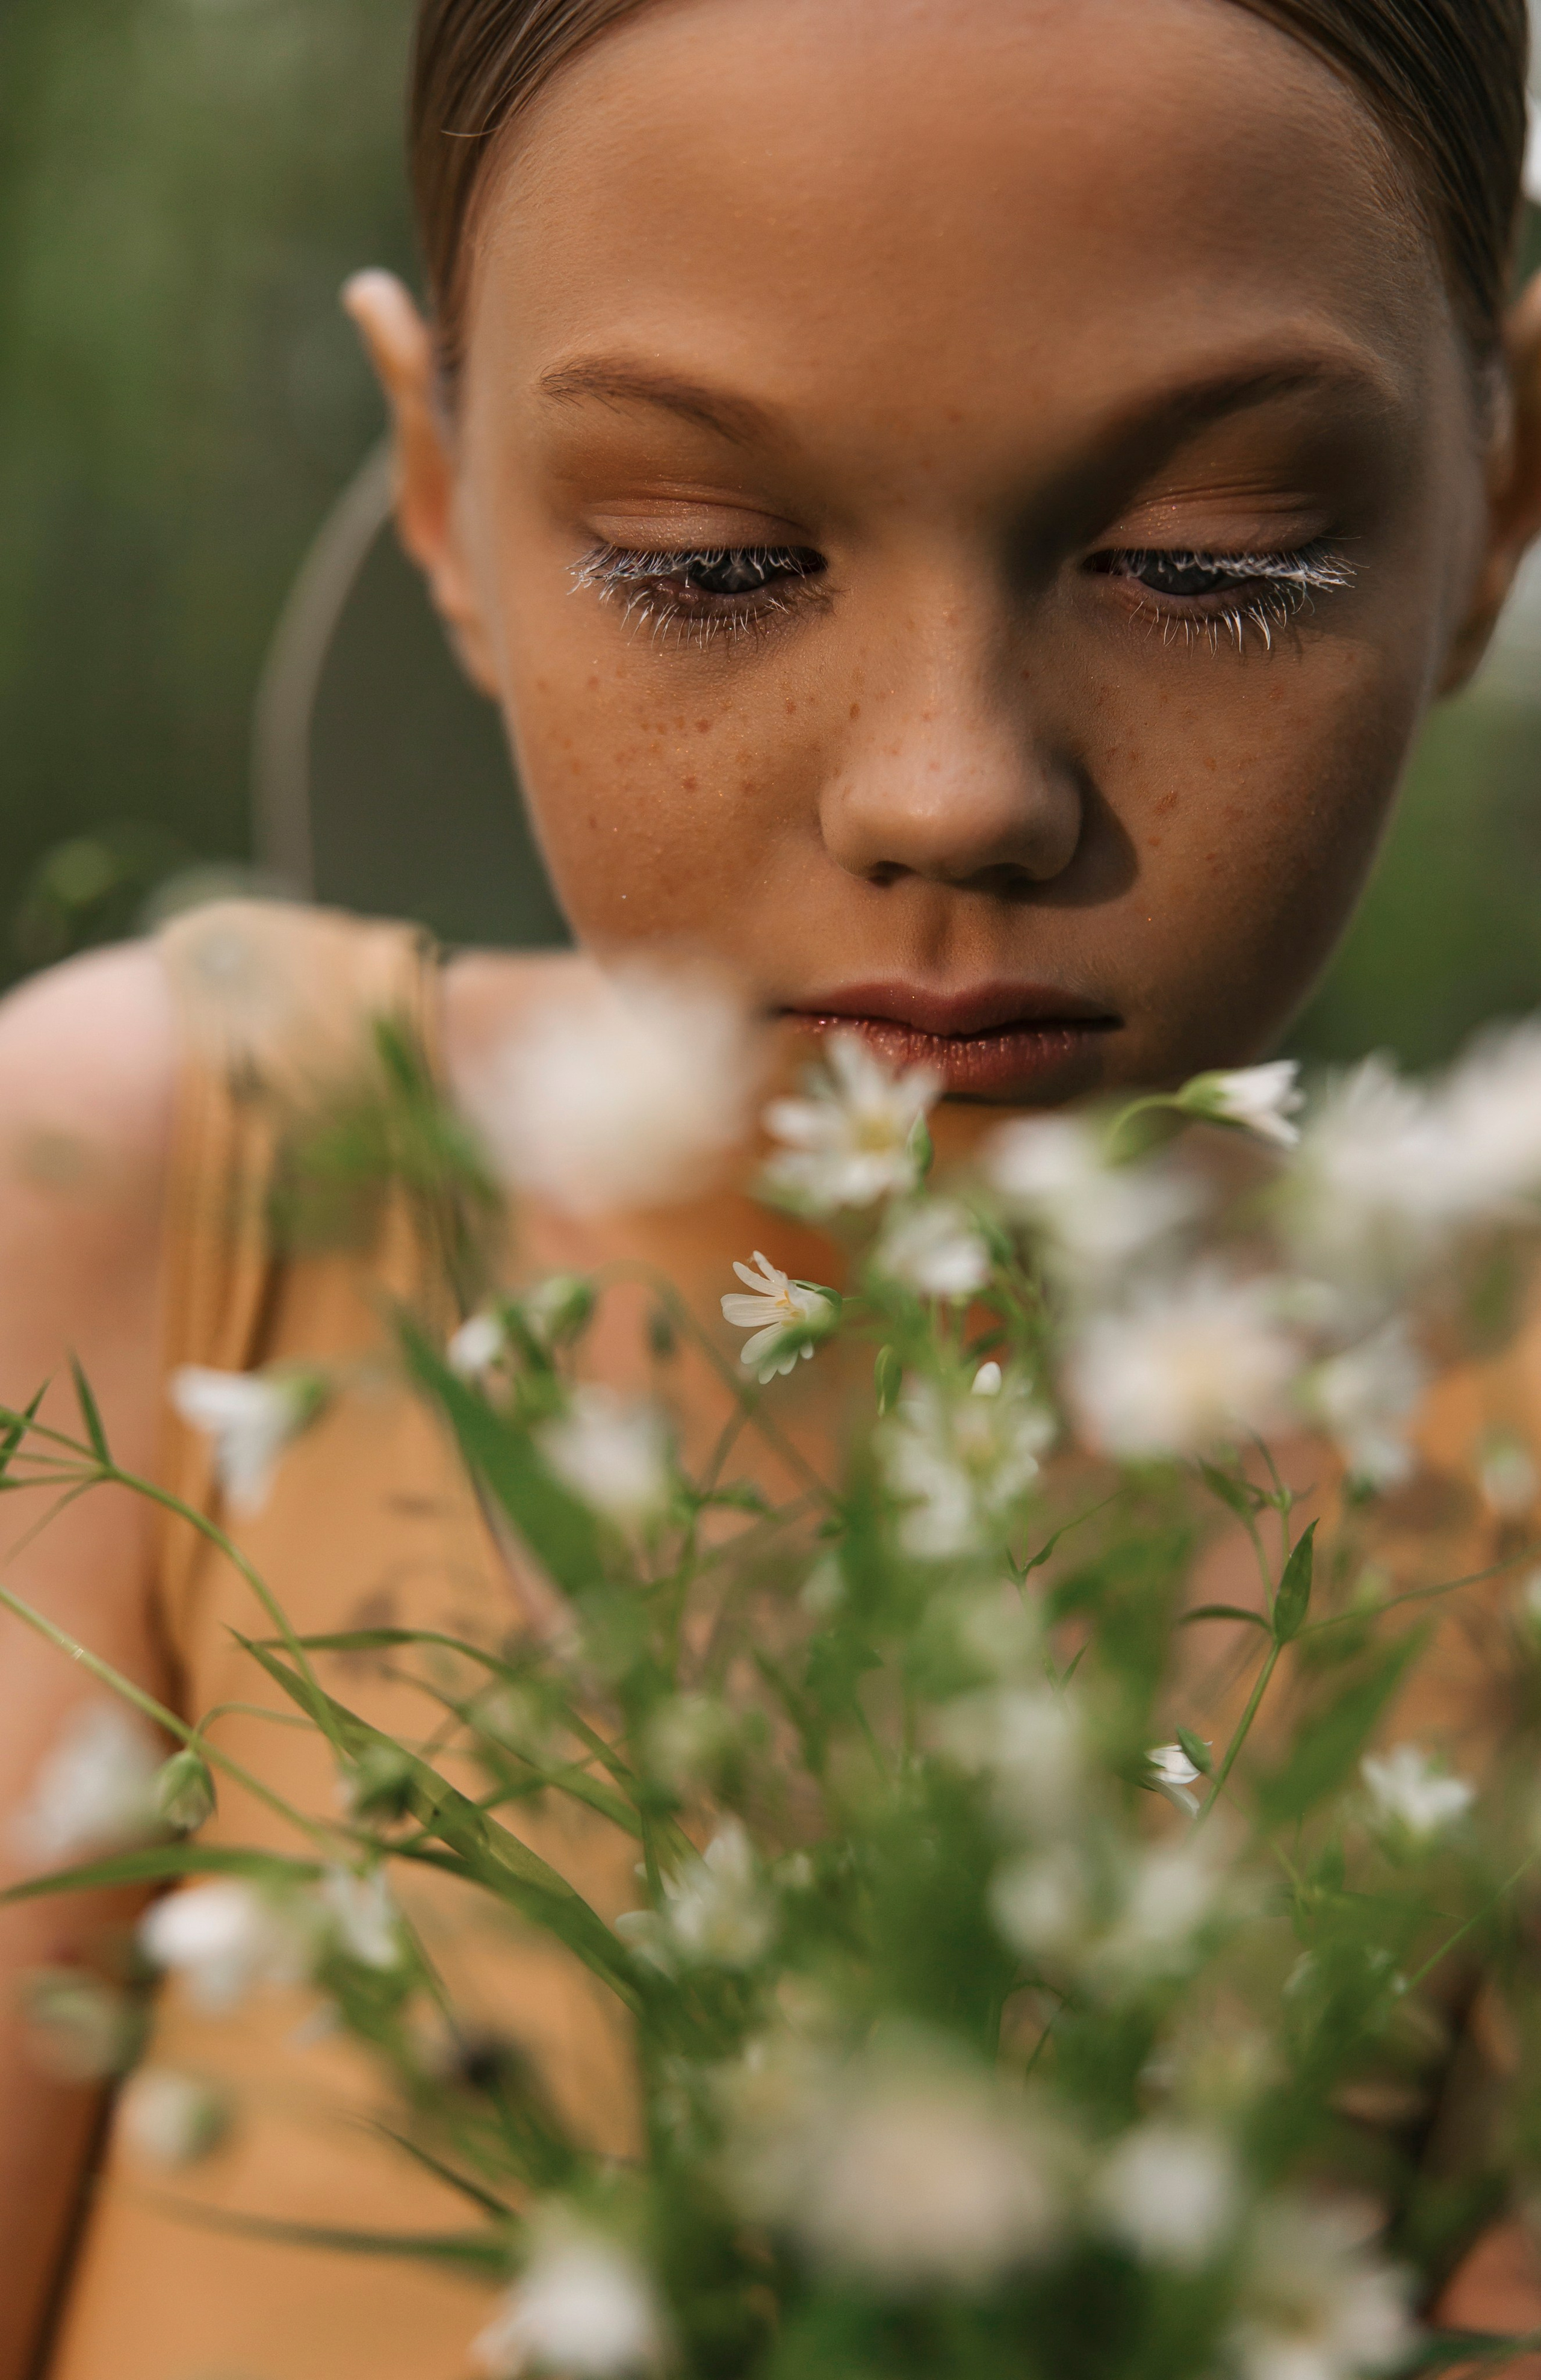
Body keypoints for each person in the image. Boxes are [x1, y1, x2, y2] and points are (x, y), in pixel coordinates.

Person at [3, 0, 1540, 2370]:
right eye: (713, 563)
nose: (950, 787)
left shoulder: (1487, 1451)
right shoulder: (167, 1199)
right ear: (441, 493)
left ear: (1493, 501)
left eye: (1207, 560)